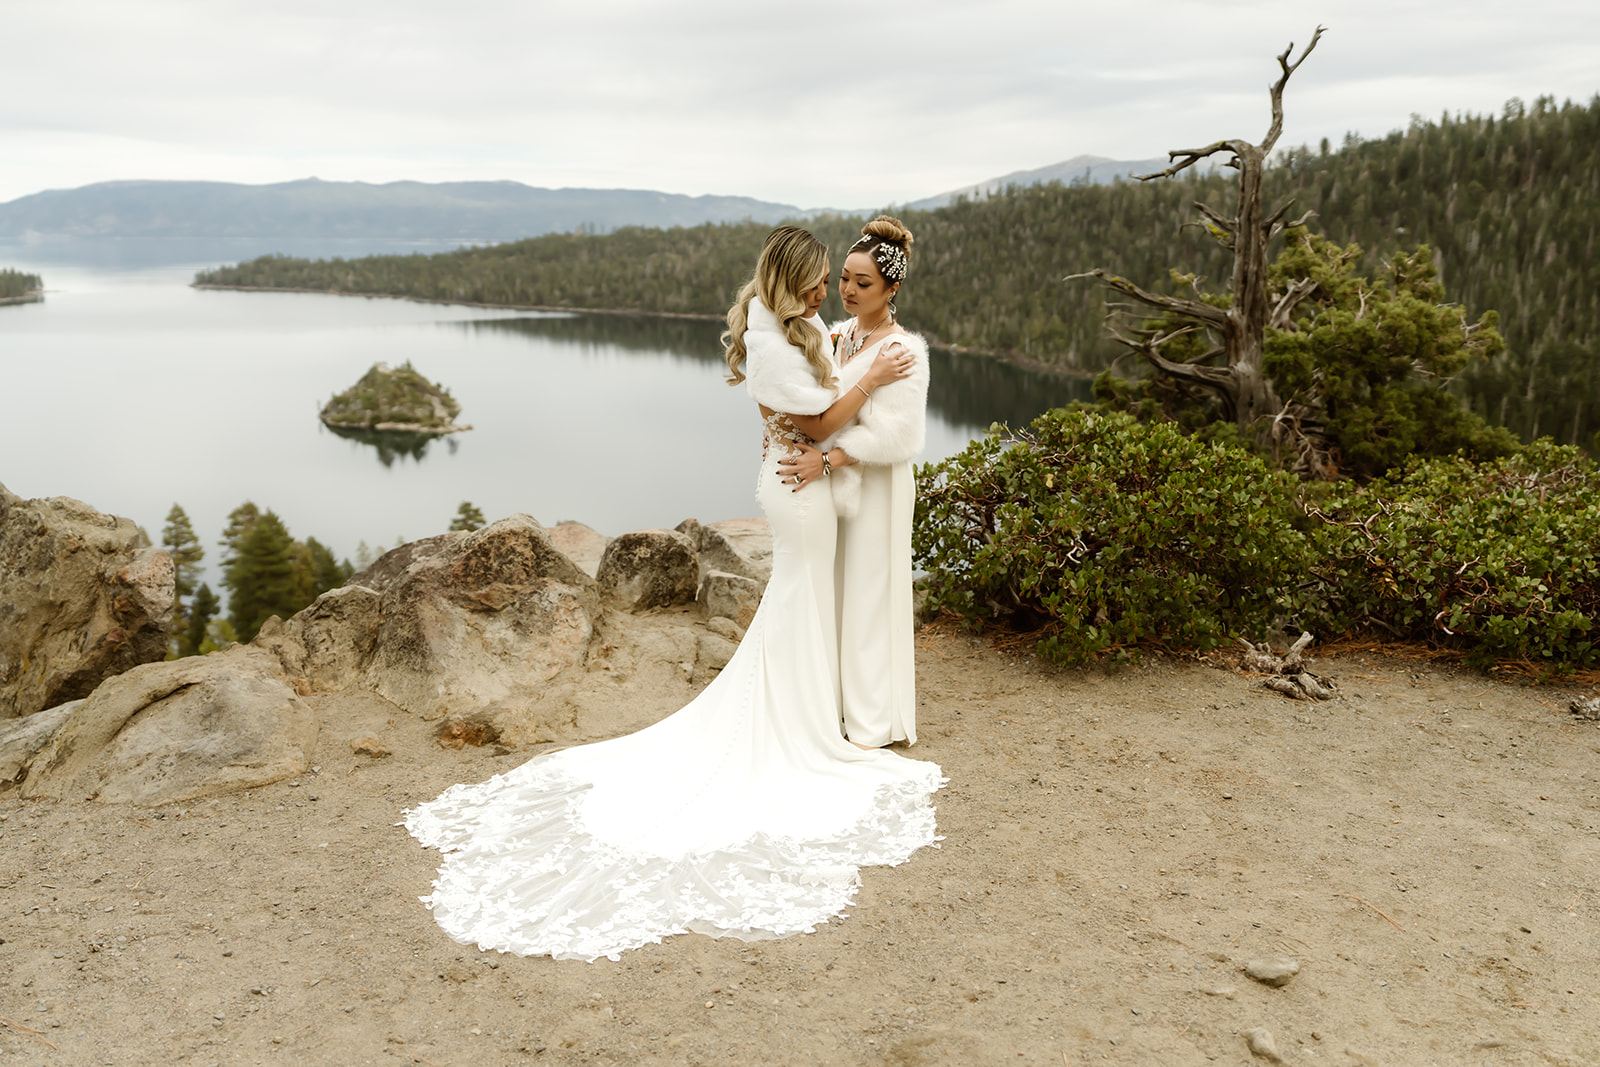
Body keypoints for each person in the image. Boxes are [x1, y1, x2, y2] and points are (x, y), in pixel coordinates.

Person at [404, 226, 944, 963]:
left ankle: (820, 711)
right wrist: (834, 412)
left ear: (886, 288)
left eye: (849, 281)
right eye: (826, 280)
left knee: (806, 600)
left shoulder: (816, 329)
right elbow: (813, 417)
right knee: (797, 598)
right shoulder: (787, 341)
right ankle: (801, 726)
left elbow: (838, 407)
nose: (834, 292)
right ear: (794, 283)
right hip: (803, 484)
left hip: (819, 483)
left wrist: (825, 419)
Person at [779, 216, 928, 748]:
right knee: (837, 589)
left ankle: (870, 722)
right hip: (836, 487)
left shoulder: (903, 351)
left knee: (868, 593)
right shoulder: (838, 335)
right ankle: (835, 709)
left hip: (877, 488)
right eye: (843, 278)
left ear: (891, 289)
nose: (846, 290)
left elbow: (899, 436)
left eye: (862, 284)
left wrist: (829, 460)